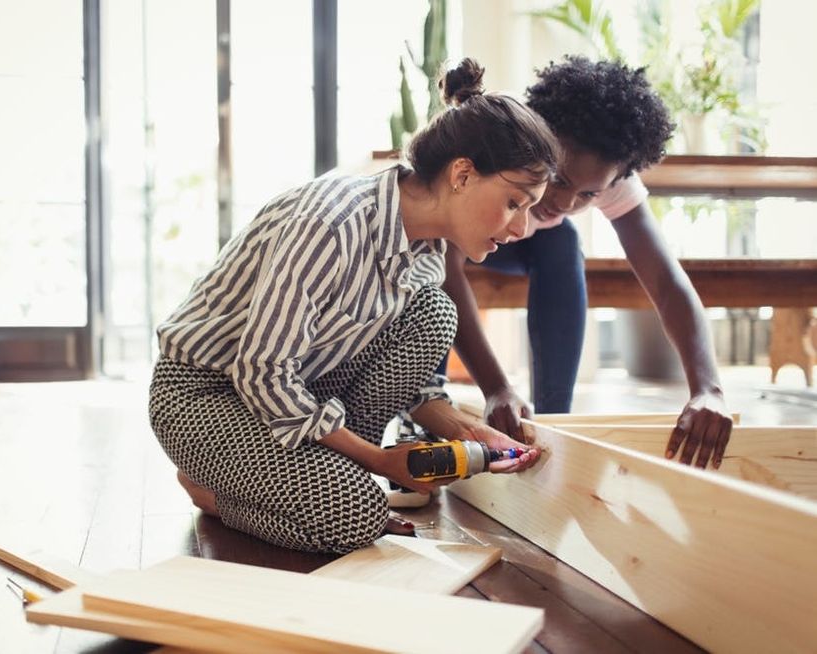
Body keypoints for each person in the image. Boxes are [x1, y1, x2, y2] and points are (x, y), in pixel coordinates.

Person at [148, 58, 555, 554]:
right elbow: (263, 373)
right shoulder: (333, 225)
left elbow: (412, 384)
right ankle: (212, 494)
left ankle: (323, 477)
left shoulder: (430, 254)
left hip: (303, 390)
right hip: (206, 394)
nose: (521, 228)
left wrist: (474, 435)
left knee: (436, 314)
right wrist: (378, 461)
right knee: (358, 517)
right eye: (515, 203)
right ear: (463, 175)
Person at [442, 56, 733, 469]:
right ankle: (427, 402)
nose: (565, 202)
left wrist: (708, 390)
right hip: (446, 242)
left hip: (522, 245)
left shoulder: (610, 176)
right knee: (427, 279)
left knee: (562, 240)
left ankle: (553, 420)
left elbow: (667, 283)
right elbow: (444, 268)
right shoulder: (503, 139)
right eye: (558, 179)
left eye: (588, 195)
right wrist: (496, 388)